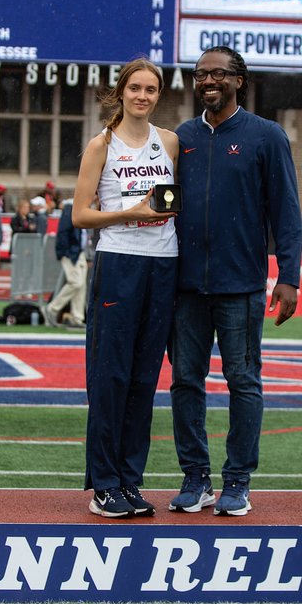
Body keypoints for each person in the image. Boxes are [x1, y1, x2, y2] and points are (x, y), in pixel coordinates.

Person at [169, 46, 302, 517]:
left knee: (243, 382)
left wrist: (289, 276)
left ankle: (238, 481)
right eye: (200, 74)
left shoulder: (266, 136)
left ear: (238, 81)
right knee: (185, 382)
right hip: (185, 287)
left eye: (218, 74)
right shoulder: (181, 137)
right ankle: (195, 477)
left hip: (241, 286)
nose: (208, 81)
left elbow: (286, 211)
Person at [69, 57, 178, 518]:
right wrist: (128, 213)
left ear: (158, 95)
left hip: (164, 263)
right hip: (119, 261)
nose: (142, 96)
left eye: (150, 89)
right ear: (120, 92)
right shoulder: (102, 145)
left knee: (144, 377)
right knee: (110, 375)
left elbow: (173, 202)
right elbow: (80, 215)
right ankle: (105, 485)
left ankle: (130, 479)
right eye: (135, 88)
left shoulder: (169, 142)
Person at [45, 195, 86, 328]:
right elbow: (63, 233)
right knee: (76, 282)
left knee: (81, 286)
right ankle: (52, 308)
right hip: (72, 252)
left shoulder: (80, 207)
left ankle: (77, 317)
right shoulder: (70, 209)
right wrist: (67, 253)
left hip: (79, 252)